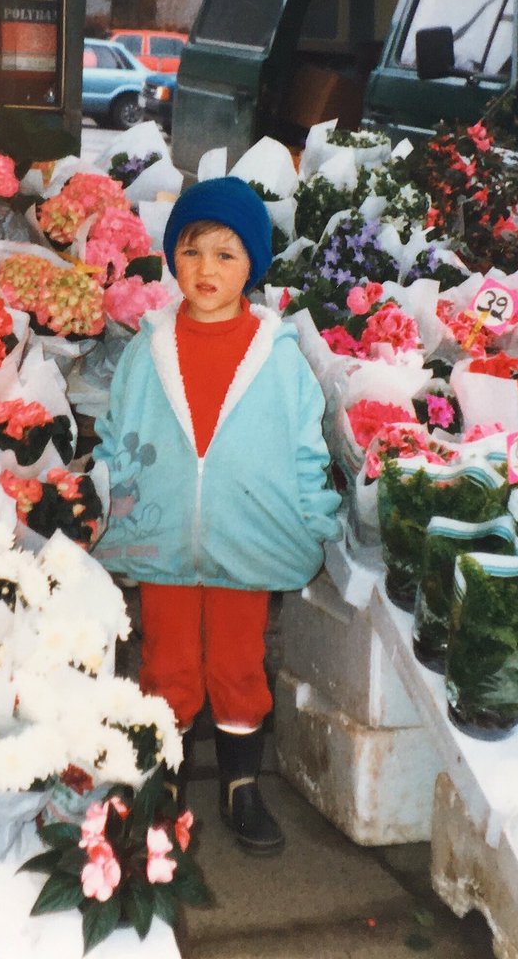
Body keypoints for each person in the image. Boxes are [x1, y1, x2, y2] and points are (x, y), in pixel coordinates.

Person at [92, 176, 341, 856]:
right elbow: (117, 429)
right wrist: (105, 493)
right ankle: (164, 781)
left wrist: (314, 515)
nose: (206, 269)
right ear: (172, 256)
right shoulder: (148, 349)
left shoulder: (278, 358)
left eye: (226, 255)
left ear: (252, 266)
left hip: (246, 537)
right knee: (166, 660)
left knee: (238, 664)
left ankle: (240, 783)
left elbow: (305, 446)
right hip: (162, 534)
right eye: (192, 250)